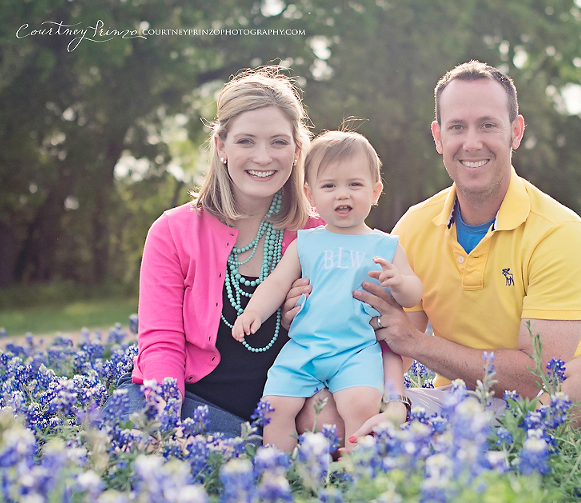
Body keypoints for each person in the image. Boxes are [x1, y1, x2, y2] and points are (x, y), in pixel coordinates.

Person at [347, 60, 581, 434]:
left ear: (515, 132)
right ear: (439, 137)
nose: (472, 143)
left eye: (488, 125)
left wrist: (418, 345)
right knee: (332, 400)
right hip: (451, 404)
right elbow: (390, 347)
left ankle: (475, 455)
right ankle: (467, 453)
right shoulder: (413, 225)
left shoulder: (560, 231)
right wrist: (312, 315)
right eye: (457, 127)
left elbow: (536, 377)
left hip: (546, 408)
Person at [105, 67, 407, 438]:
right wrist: (165, 423)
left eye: (278, 142)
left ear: (298, 151)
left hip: (286, 406)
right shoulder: (173, 232)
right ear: (221, 147)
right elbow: (161, 344)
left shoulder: (323, 235)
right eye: (246, 141)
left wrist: (395, 400)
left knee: (331, 427)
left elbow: (377, 329)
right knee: (134, 437)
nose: (263, 157)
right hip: (194, 404)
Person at [232, 131, 423, 452]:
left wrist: (400, 283)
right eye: (329, 186)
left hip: (357, 350)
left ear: (376, 191)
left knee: (361, 407)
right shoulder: (306, 242)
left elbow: (414, 293)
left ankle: (352, 474)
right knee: (275, 407)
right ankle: (277, 474)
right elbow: (277, 284)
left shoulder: (385, 245)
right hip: (305, 347)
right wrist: (253, 311)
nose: (342, 194)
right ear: (310, 194)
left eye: (355, 184)